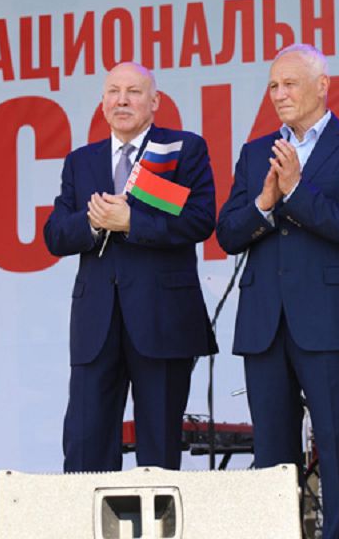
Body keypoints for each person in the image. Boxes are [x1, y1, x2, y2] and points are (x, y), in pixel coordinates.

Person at [215, 43, 339, 539]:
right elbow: (228, 234)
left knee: (336, 446)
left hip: (329, 322)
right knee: (271, 452)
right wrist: (264, 203)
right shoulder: (255, 152)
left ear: (322, 85)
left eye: (290, 83)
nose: (279, 93)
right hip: (264, 322)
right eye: (273, 85)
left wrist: (295, 191)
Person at [43, 61, 217, 472]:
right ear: (103, 102)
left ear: (155, 101)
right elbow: (55, 235)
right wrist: (93, 222)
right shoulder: (81, 161)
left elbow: (199, 220)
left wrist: (132, 222)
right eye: (113, 92)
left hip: (162, 318)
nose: (122, 100)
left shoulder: (182, 149)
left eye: (133, 92)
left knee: (158, 449)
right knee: (85, 445)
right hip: (96, 322)